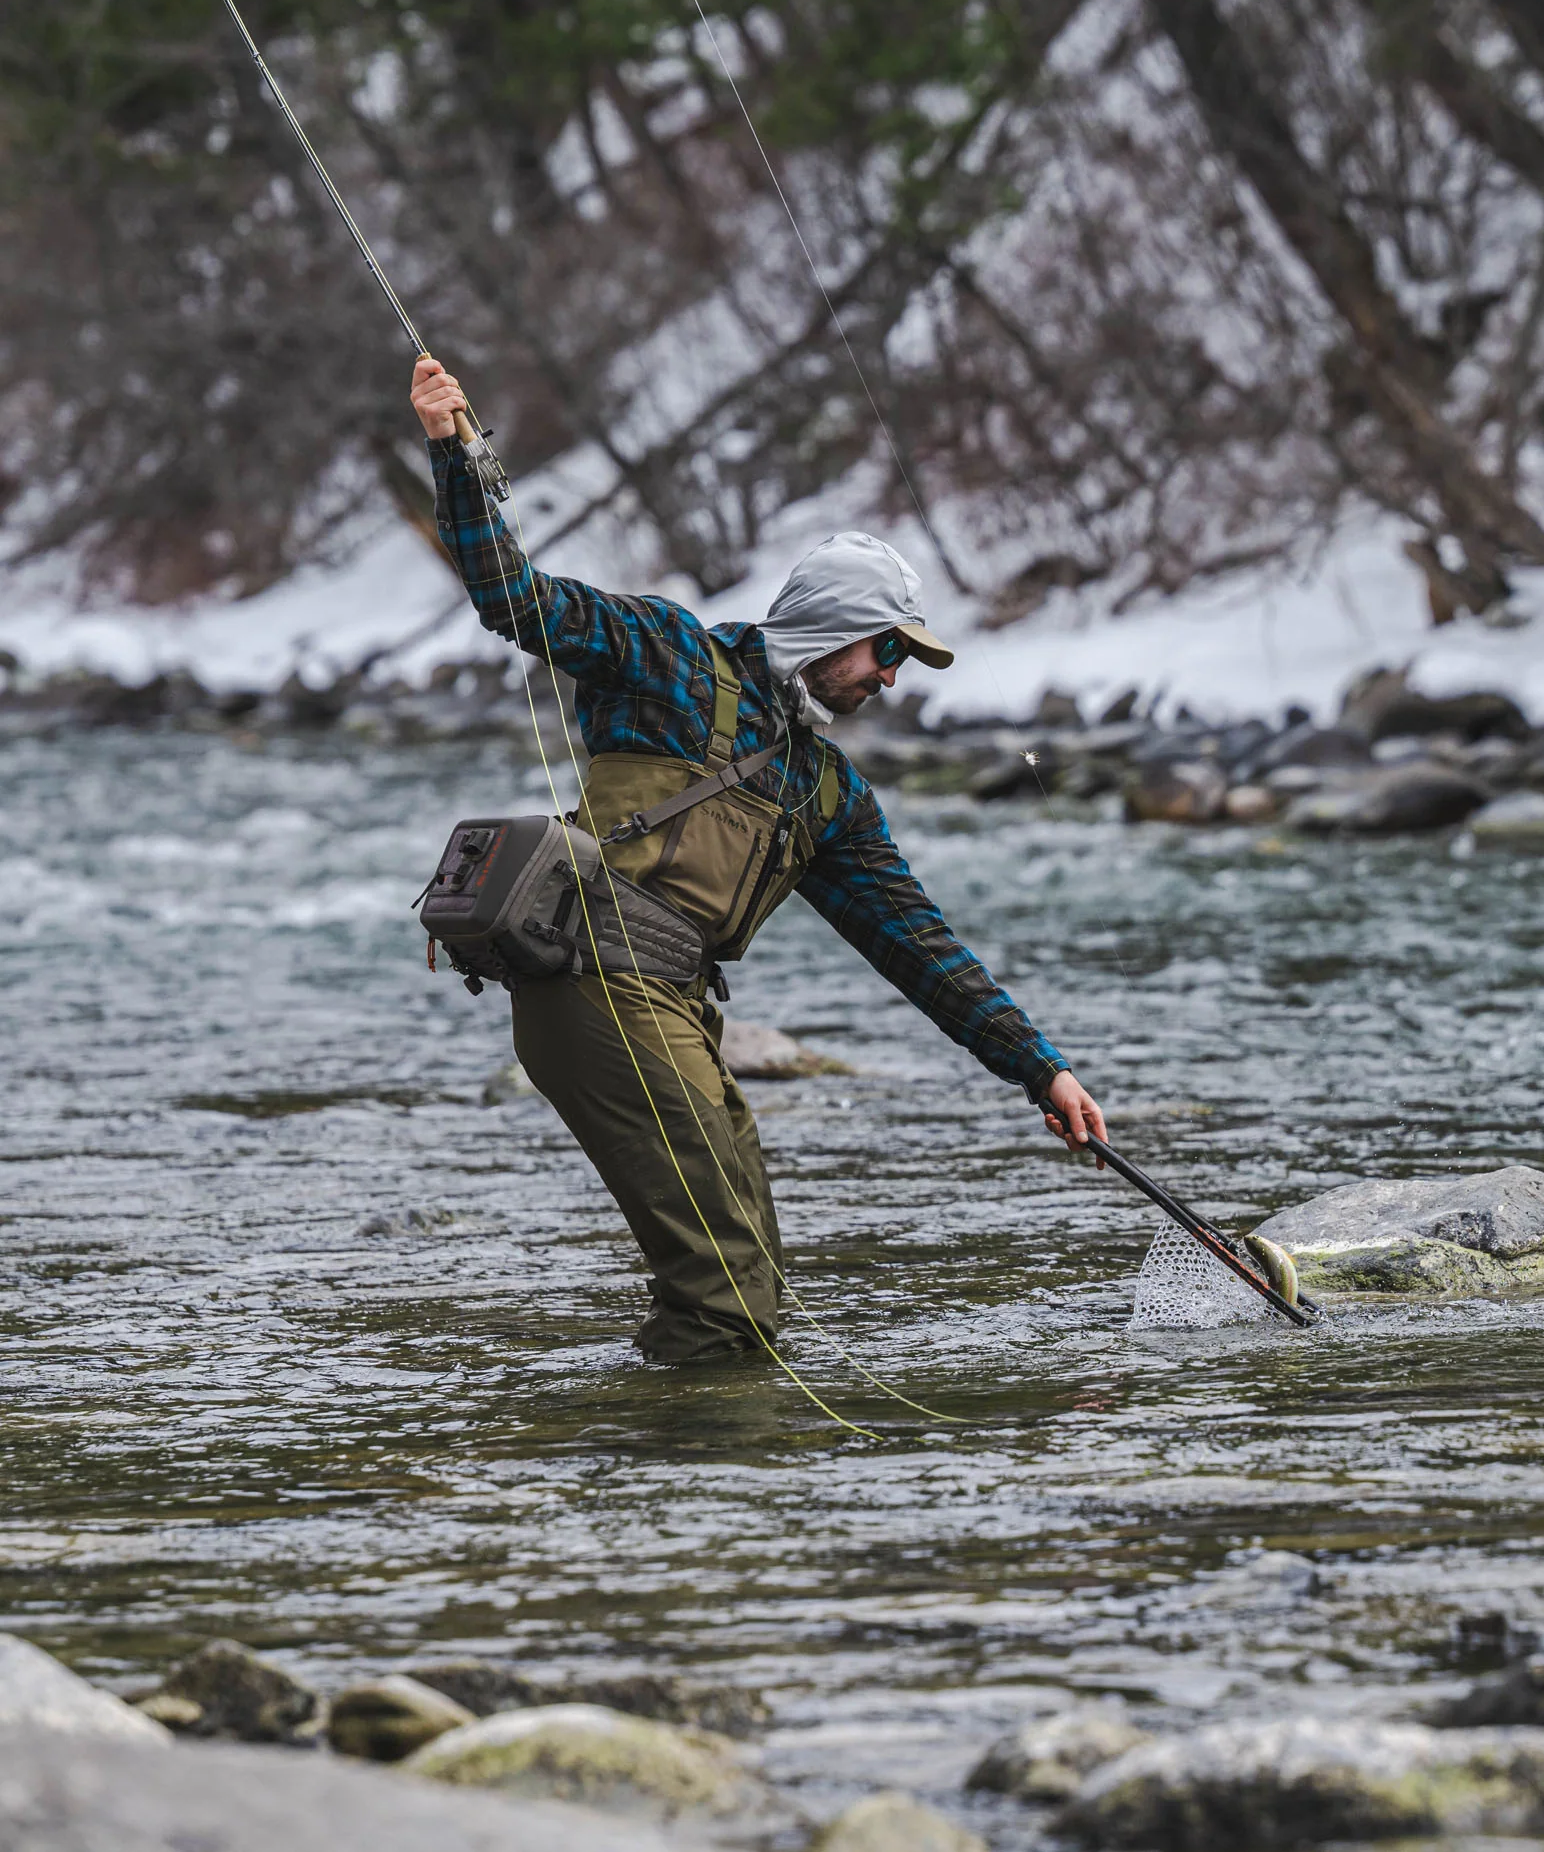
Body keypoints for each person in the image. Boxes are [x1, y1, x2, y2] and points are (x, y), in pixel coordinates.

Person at [410, 356, 1107, 1363]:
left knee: (754, 1286)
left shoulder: (829, 794)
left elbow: (921, 947)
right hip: (593, 981)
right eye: (888, 651)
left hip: (676, 1006)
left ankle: (685, 1473)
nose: (892, 679)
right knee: (726, 1297)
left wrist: (1039, 1069)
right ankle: (679, 1487)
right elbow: (514, 599)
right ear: (832, 630)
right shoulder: (666, 655)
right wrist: (454, 456)